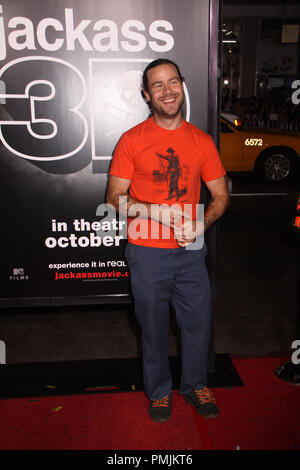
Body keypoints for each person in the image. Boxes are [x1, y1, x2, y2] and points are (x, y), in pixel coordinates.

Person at [106, 58, 230, 423]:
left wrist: (202, 224)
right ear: (147, 95)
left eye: (172, 81)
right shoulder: (132, 140)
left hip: (191, 252)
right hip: (146, 253)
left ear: (182, 85)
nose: (167, 91)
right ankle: (159, 391)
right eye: (157, 85)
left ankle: (194, 384)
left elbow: (220, 197)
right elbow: (113, 198)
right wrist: (153, 211)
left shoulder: (201, 140)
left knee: (198, 323)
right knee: (154, 327)